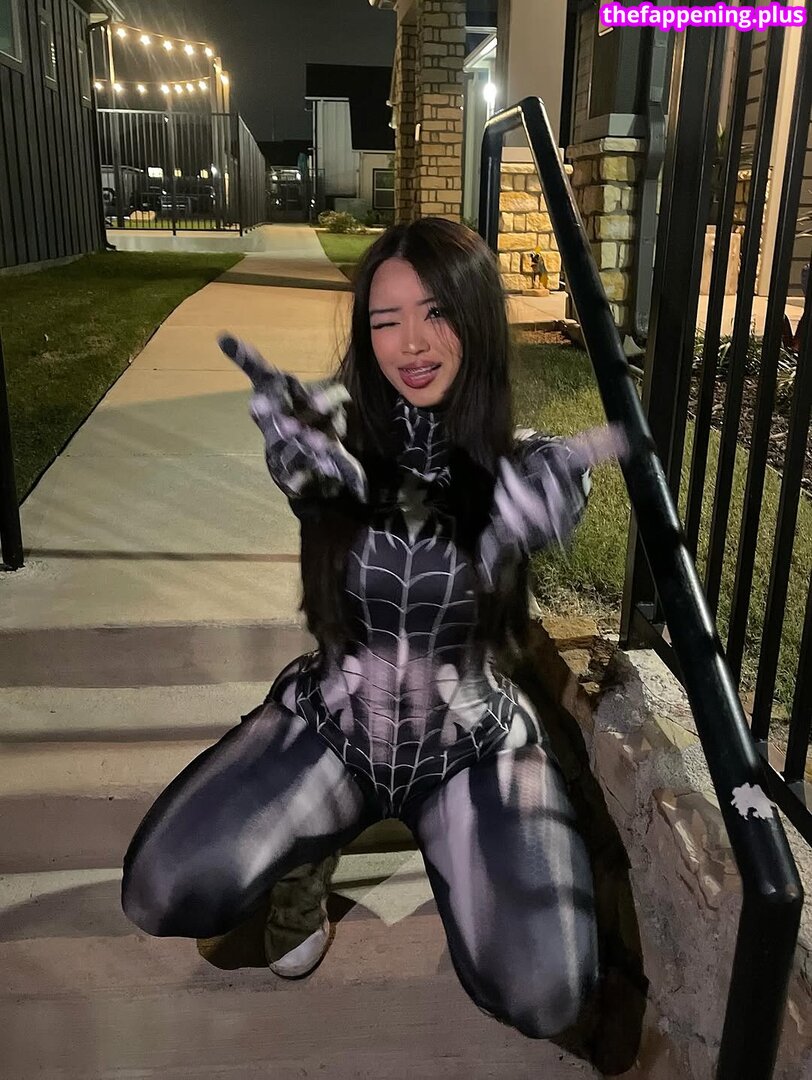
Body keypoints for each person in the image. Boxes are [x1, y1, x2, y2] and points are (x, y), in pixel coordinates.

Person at [122, 217, 626, 1040]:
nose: (411, 342)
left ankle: (448, 848)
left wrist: (539, 502)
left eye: (436, 312)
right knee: (161, 888)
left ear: (477, 318)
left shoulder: (521, 462)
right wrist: (300, 465)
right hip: (337, 725)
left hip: (468, 746)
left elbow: (544, 493)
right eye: (386, 320)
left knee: (546, 990)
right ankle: (305, 860)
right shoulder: (334, 447)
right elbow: (313, 470)